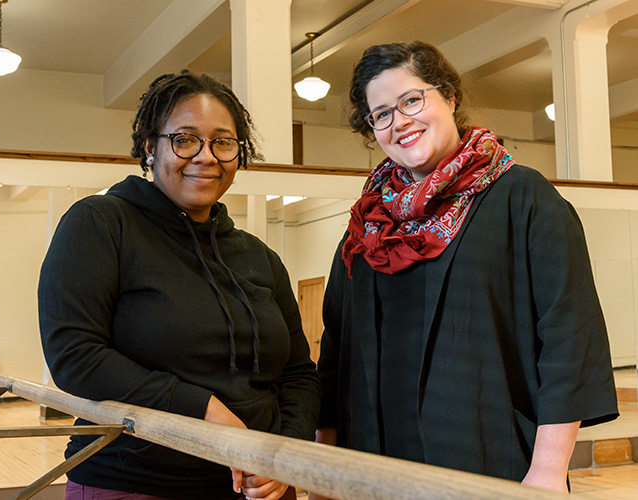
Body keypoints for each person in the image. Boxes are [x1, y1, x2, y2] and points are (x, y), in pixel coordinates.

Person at [313, 41, 619, 496]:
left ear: (449, 97)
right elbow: (336, 356)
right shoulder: (368, 226)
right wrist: (323, 469)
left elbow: (570, 340)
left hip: (489, 462)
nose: (399, 122)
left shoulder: (524, 199)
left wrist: (548, 472)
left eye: (411, 100)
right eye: (381, 114)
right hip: (373, 464)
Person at [38, 70, 320, 500]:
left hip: (258, 485)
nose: (206, 156)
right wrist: (204, 410)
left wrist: (284, 456)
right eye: (185, 139)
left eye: (223, 142)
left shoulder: (258, 256)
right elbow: (74, 356)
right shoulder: (100, 223)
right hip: (135, 481)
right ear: (150, 147)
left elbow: (299, 373)